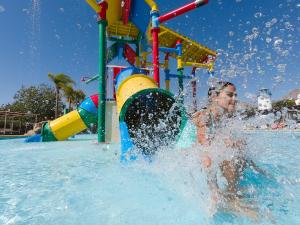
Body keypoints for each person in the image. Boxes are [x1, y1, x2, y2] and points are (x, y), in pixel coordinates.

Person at [192, 81, 261, 219]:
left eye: (236, 95)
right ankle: (229, 199)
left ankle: (256, 177)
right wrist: (214, 192)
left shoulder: (222, 119)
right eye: (230, 95)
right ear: (214, 97)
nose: (234, 99)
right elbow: (205, 156)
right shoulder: (204, 116)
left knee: (238, 151)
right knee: (229, 155)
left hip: (203, 157)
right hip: (187, 156)